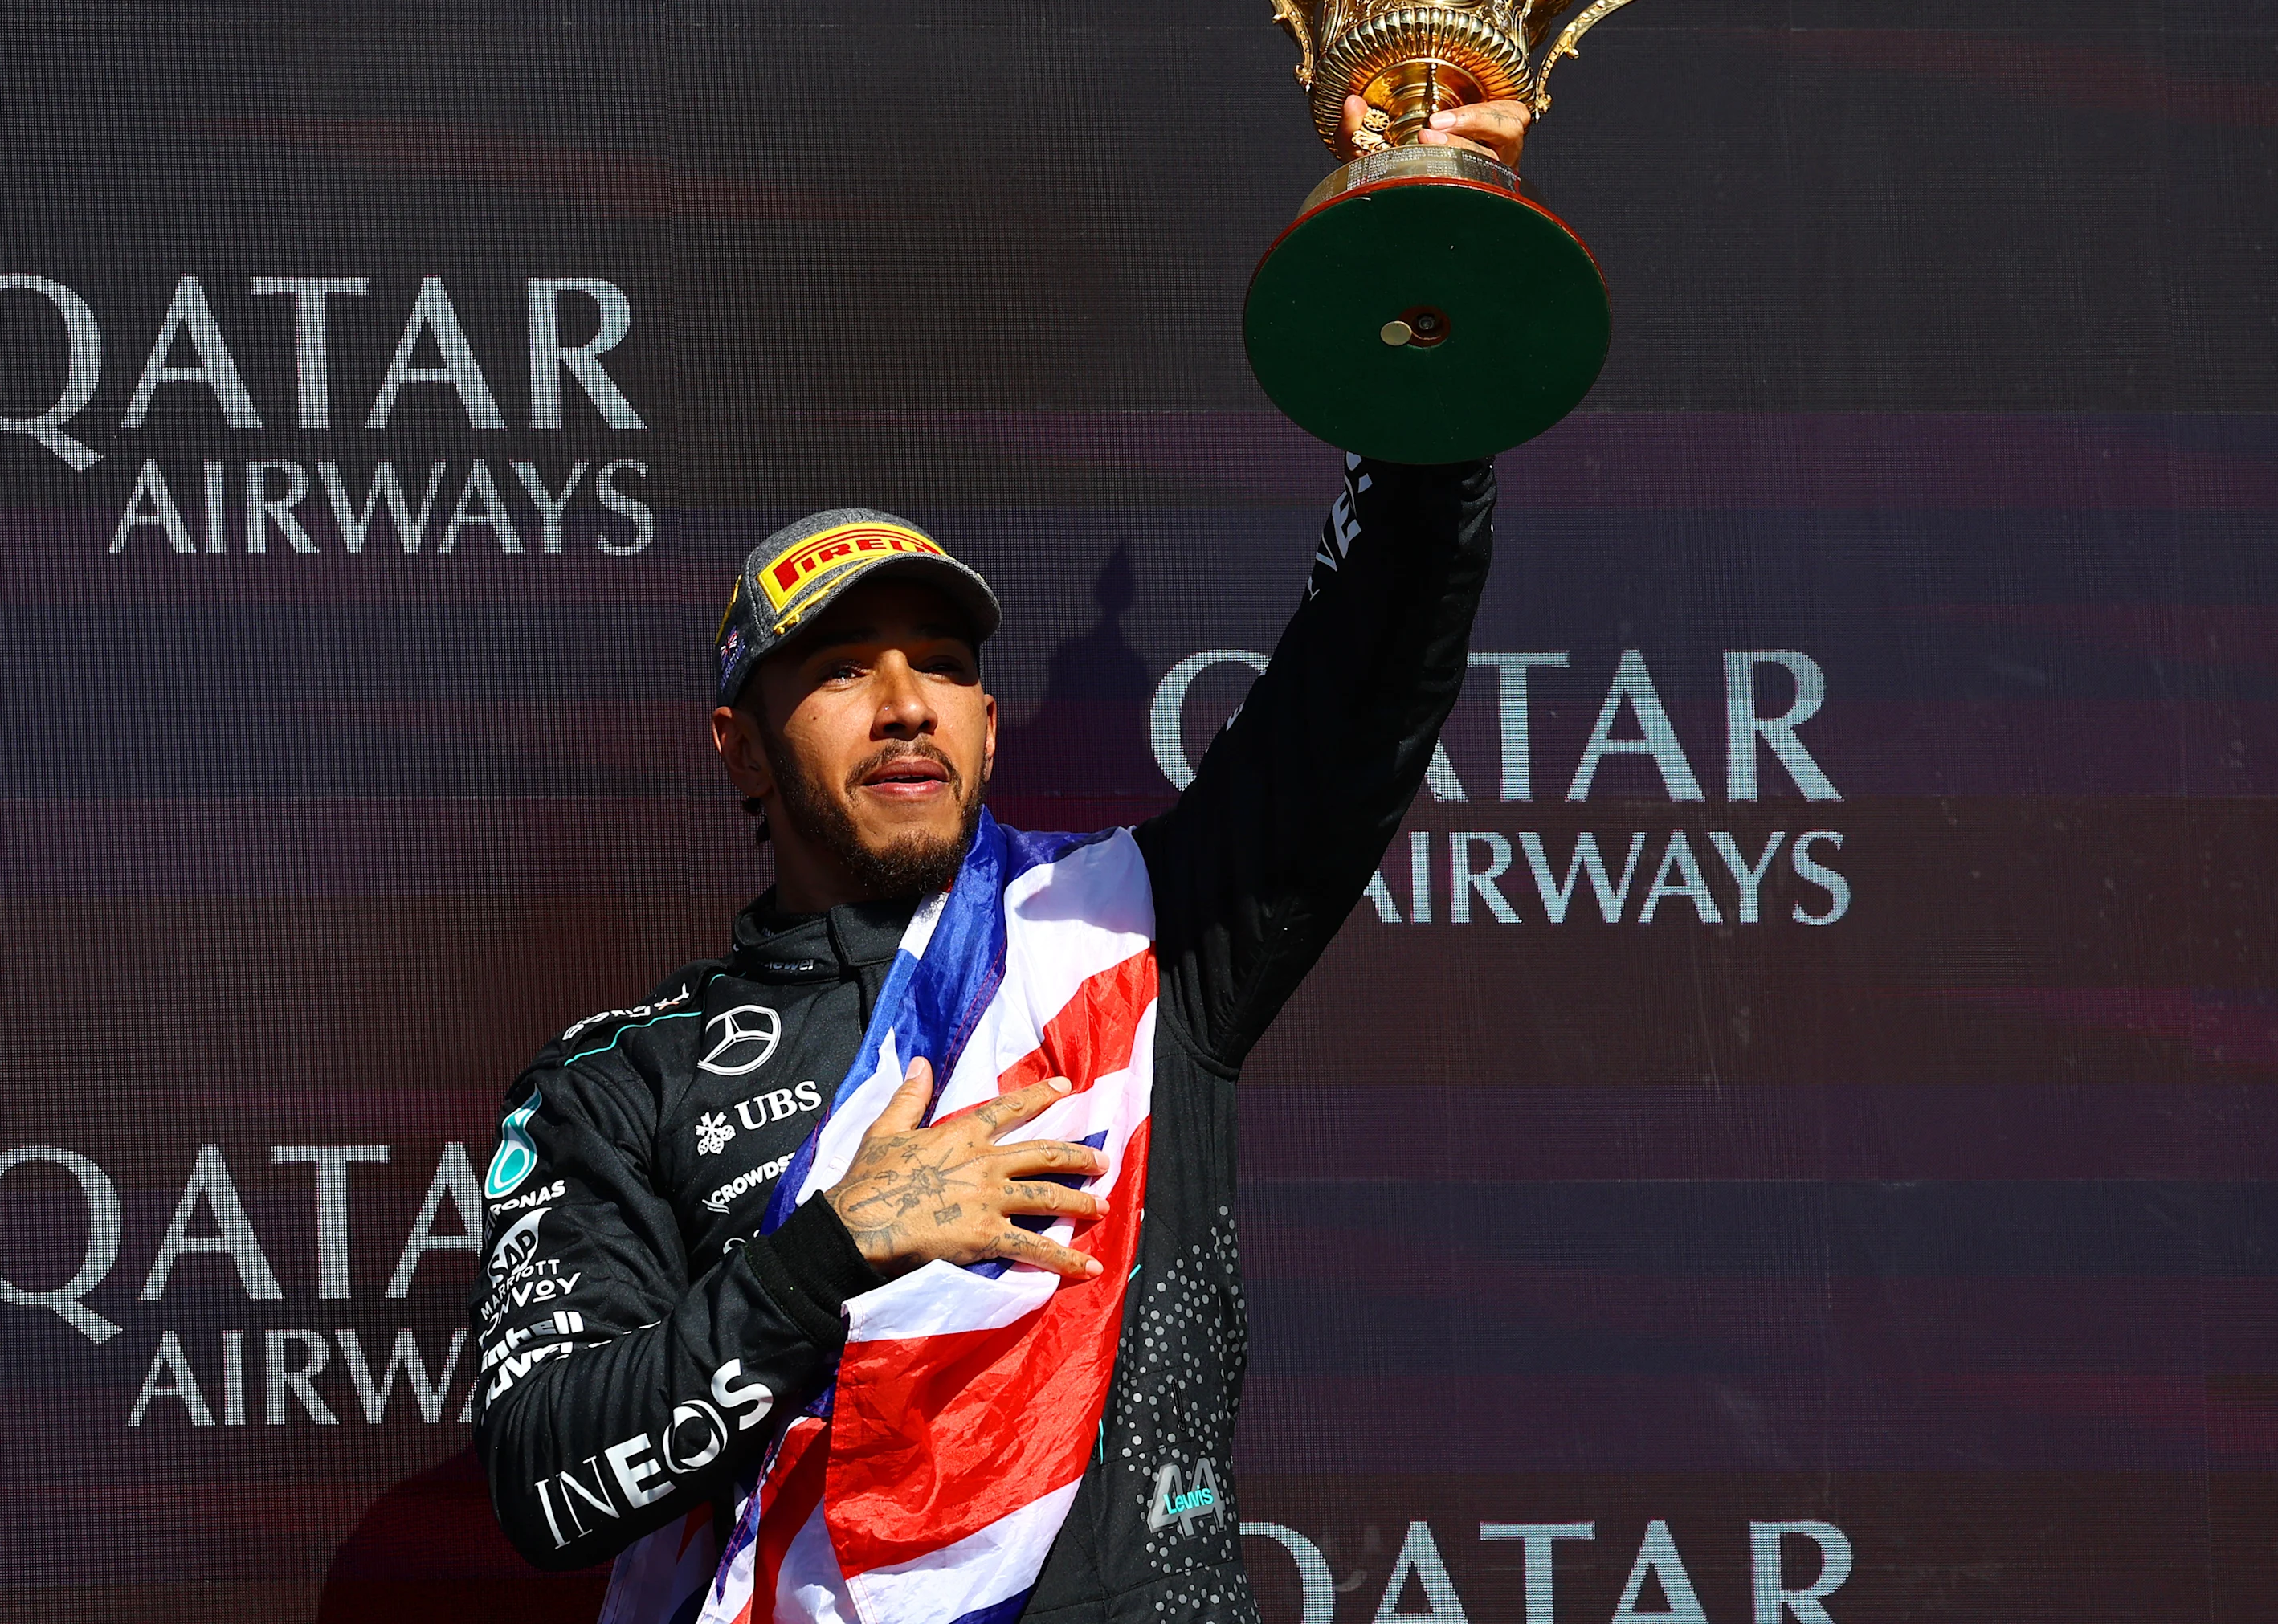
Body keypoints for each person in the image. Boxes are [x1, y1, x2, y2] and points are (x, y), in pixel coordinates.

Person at [471, 96, 1521, 1624]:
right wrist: (828, 1251)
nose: (906, 703)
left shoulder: (1136, 930)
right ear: (739, 746)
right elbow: (546, 1483)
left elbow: (1369, 674)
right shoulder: (616, 1085)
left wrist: (1428, 237)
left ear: (986, 712)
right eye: (839, 669)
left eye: (943, 662)